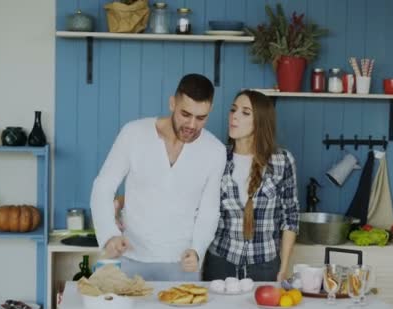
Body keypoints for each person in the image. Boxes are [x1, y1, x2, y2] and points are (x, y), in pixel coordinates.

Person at [90, 73, 226, 281]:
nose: (191, 125)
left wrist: (198, 250)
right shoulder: (133, 133)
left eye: (201, 118)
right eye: (185, 114)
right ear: (172, 103)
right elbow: (103, 186)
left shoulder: (215, 151)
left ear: (210, 111)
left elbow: (209, 210)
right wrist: (109, 235)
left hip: (182, 263)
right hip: (131, 258)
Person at [203, 90, 300, 282]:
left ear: (260, 121)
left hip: (265, 265)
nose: (234, 116)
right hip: (220, 263)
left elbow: (291, 216)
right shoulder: (217, 156)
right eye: (233, 110)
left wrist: (283, 267)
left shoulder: (282, 161)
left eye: (245, 112)